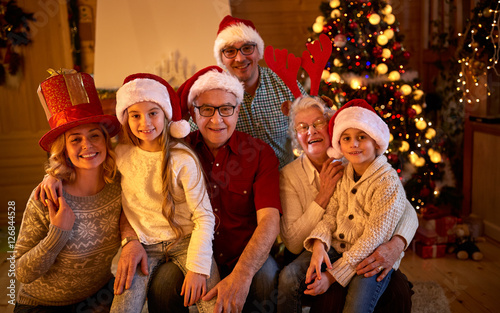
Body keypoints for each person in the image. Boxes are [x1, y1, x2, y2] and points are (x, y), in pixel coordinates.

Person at [138, 66, 281, 313]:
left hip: (244, 254)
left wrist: (242, 274)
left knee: (266, 278)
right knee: (162, 284)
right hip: (190, 253)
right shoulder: (178, 151)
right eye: (206, 109)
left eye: (226, 109)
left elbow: (269, 221)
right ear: (194, 112)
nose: (217, 120)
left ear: (237, 110)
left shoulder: (260, 154)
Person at [278, 96, 417, 313]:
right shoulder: (290, 175)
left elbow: (403, 209)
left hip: (367, 251)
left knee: (392, 294)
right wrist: (319, 237)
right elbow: (295, 242)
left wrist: (397, 243)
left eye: (318, 123)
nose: (311, 131)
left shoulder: (355, 160)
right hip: (330, 248)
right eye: (302, 127)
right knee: (323, 297)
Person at [109, 73, 219, 313]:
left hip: (186, 240)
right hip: (144, 246)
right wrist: (52, 176)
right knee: (122, 307)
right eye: (135, 115)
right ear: (125, 119)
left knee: (213, 304)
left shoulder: (183, 158)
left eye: (153, 113)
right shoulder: (120, 156)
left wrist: (199, 268)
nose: (144, 123)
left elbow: (204, 216)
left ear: (166, 115)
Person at [14, 70, 122, 313]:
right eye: (75, 139)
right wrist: (58, 233)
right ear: (63, 149)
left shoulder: (119, 186)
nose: (88, 145)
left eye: (95, 135)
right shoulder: (48, 196)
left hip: (96, 299)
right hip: (42, 305)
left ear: (106, 141)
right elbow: (22, 273)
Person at [213, 15, 307, 169]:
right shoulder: (212, 94)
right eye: (230, 51)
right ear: (222, 59)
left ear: (258, 51)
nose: (240, 58)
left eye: (247, 48)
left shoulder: (285, 84)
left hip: (287, 178)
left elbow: (310, 126)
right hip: (239, 186)